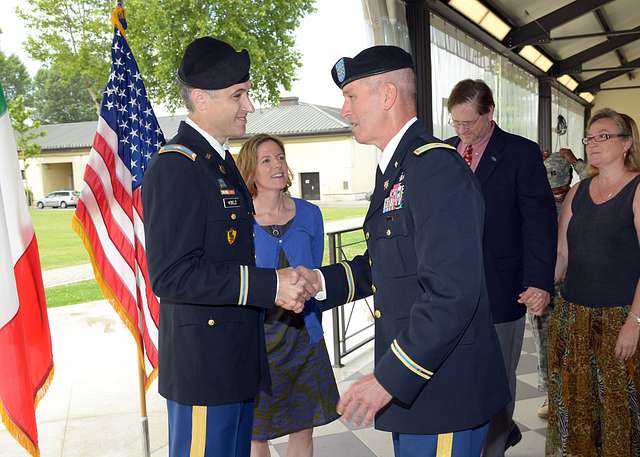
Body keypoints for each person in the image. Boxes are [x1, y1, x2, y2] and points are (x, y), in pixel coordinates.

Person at [303, 45, 510, 457]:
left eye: (351, 97)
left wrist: (388, 378)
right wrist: (319, 282)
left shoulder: (434, 167)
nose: (345, 111)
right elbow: (386, 262)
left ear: (387, 96)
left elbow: (452, 292)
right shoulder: (396, 167)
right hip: (419, 386)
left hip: (444, 390)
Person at [142, 37, 313, 457]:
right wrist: (269, 286)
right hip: (204, 370)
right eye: (238, 95)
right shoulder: (177, 166)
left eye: (247, 93)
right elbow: (172, 275)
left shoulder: (220, 164)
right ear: (200, 98)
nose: (249, 106)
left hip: (233, 361)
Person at [445, 79, 557, 456]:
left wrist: (539, 281)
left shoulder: (520, 153)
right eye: (455, 124)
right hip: (450, 292)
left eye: (469, 124)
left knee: (497, 380)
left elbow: (539, 222)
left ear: (489, 113)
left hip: (500, 285)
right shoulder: (443, 153)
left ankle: (493, 448)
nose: (462, 133)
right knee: (457, 376)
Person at [236, 134, 339, 457]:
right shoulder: (239, 220)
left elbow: (316, 273)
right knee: (256, 437)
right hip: (258, 345)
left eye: (280, 157)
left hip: (303, 340)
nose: (277, 165)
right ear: (251, 170)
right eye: (267, 160)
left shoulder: (310, 215)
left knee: (303, 429)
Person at [546, 108, 640, 457]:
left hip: (619, 319)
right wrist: (540, 285)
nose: (593, 143)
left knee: (620, 414)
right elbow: (562, 254)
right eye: (589, 137)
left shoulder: (637, 189)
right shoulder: (579, 191)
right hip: (574, 319)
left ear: (626, 142)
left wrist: (635, 322)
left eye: (604, 136)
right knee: (577, 409)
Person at [531, 147, 590, 420]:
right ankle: (551, 396)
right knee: (545, 345)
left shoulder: (583, 200)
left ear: (568, 182)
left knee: (579, 343)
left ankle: (578, 396)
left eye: (560, 186)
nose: (556, 193)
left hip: (578, 287)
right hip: (546, 286)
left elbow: (597, 177)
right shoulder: (535, 204)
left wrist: (576, 162)